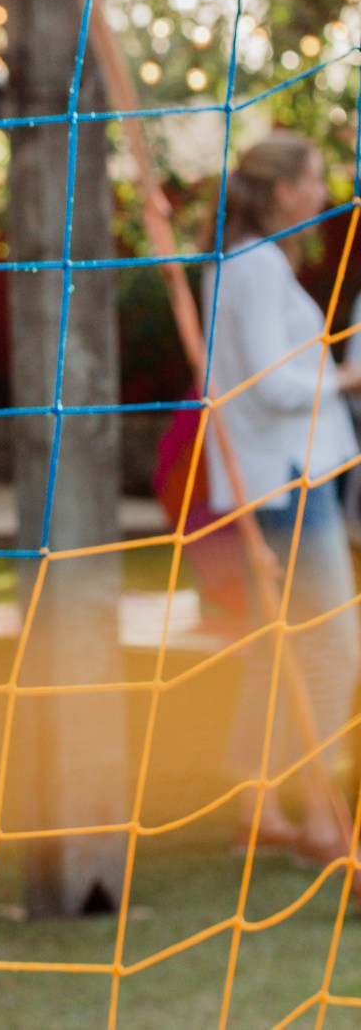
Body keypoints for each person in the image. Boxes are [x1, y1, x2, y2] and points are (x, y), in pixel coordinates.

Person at [202, 130, 361, 863]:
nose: (324, 191)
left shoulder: (233, 263)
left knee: (282, 650)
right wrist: (347, 378)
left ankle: (257, 806)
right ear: (283, 190)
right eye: (315, 178)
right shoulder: (258, 265)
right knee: (337, 647)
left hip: (271, 478)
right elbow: (268, 383)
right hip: (290, 480)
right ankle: (324, 818)